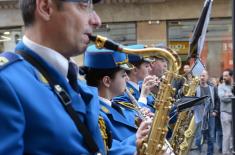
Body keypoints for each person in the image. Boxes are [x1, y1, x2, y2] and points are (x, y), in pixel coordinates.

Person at [0, 0, 111, 154]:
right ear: (46, 8)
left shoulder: (71, 77)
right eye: (84, 5)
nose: (96, 21)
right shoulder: (5, 81)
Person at [80, 45, 151, 154]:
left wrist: (141, 121)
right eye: (123, 75)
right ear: (107, 81)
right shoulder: (94, 115)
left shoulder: (120, 105)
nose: (127, 79)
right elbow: (105, 149)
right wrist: (137, 137)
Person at [193, 70, 220, 155]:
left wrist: (215, 111)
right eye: (201, 76)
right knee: (198, 138)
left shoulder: (212, 88)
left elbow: (217, 101)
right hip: (199, 116)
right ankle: (199, 152)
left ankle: (210, 153)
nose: (202, 77)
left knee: (211, 137)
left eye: (204, 76)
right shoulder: (195, 88)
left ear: (207, 77)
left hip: (211, 115)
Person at [218, 69, 233, 155]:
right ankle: (225, 153)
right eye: (223, 76)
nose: (224, 77)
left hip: (233, 114)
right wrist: (231, 96)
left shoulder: (233, 86)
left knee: (232, 136)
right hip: (225, 113)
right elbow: (223, 98)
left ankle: (231, 151)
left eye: (226, 76)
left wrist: (229, 94)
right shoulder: (221, 86)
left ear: (231, 76)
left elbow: (228, 96)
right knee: (227, 135)